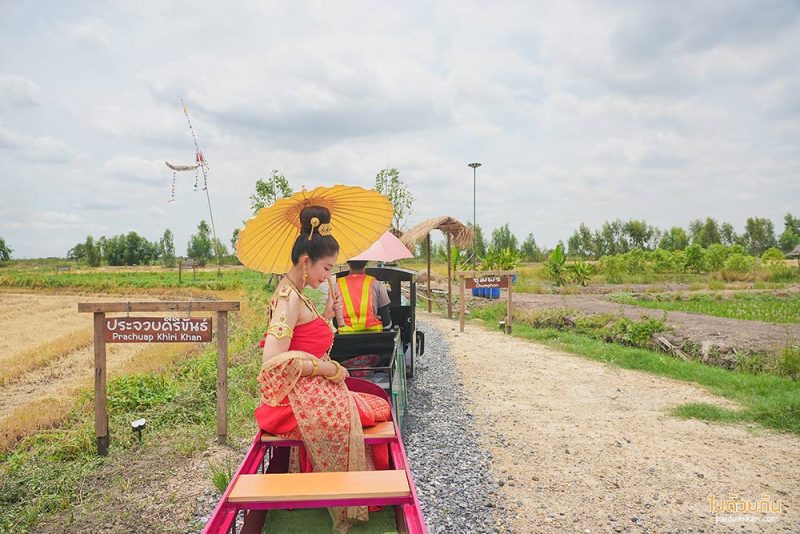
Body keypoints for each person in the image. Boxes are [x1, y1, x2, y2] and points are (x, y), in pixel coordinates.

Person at [245, 206, 391, 534]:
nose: (327, 276)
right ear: (306, 261)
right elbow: (272, 360)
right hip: (291, 404)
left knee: (377, 409)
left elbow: (306, 337)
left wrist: (328, 312)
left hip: (306, 392)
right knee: (377, 409)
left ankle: (356, 485)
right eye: (326, 268)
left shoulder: (297, 294)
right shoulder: (288, 298)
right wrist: (323, 369)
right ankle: (355, 491)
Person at [337, 260, 392, 333]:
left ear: (348, 262)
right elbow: (386, 322)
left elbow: (335, 321)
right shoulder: (377, 284)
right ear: (366, 262)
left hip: (345, 338)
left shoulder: (337, 285)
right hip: (374, 338)